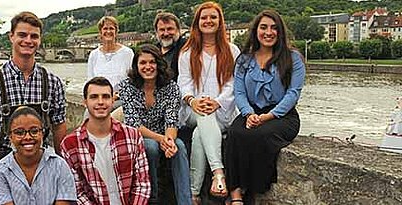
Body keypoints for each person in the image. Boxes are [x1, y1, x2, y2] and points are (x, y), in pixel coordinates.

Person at [0, 11, 67, 205]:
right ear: (11, 36)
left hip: (41, 164)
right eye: (22, 35)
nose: (28, 40)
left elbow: (59, 127)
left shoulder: (52, 82)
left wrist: (64, 168)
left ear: (39, 40)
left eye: (34, 36)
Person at [225, 10, 306, 205]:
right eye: (263, 27)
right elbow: (240, 92)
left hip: (282, 116)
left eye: (273, 28)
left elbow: (293, 94)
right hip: (251, 112)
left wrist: (268, 116)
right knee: (234, 133)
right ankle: (235, 194)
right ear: (256, 31)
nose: (268, 32)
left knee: (259, 136)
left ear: (280, 32)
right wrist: (249, 113)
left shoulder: (293, 58)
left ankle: (254, 189)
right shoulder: (244, 60)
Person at [177, 2, 240, 204]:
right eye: (204, 17)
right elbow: (183, 83)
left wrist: (218, 103)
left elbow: (233, 84)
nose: (208, 21)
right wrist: (192, 101)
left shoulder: (232, 50)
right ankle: (218, 172)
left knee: (198, 136)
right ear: (197, 22)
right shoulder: (187, 53)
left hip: (222, 111)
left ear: (220, 22)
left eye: (213, 17)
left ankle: (194, 193)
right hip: (193, 111)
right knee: (203, 115)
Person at [118, 44, 191, 205]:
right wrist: (161, 139)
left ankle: (186, 201)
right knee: (150, 147)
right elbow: (134, 123)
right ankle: (152, 198)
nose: (148, 67)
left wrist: (169, 141)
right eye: (143, 63)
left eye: (152, 62)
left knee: (179, 147)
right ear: (136, 66)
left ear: (159, 64)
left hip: (164, 134)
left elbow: (172, 119)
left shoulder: (171, 87)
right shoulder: (126, 87)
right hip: (138, 136)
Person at [61, 77, 151, 205]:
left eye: (105, 96)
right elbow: (77, 191)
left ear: (113, 100)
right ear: (85, 102)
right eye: (94, 97)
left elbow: (142, 183)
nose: (100, 102)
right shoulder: (70, 144)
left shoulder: (132, 135)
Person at [0, 106, 77, 204]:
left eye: (34, 131)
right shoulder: (0, 172)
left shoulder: (60, 166)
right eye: (19, 132)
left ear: (42, 133)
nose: (27, 137)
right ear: (10, 137)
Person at [87, 16, 134, 94]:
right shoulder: (94, 55)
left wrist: (117, 96)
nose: (108, 31)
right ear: (100, 32)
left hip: (121, 100)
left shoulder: (127, 53)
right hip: (100, 99)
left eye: (111, 28)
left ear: (116, 32)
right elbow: (90, 81)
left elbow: (133, 81)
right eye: (105, 28)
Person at [153, 12, 187, 80]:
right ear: (156, 32)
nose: (166, 33)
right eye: (162, 30)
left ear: (178, 30)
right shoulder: (153, 51)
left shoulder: (187, 47)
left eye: (170, 29)